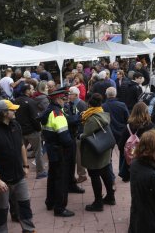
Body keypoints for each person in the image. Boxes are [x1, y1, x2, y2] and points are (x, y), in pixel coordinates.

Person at [0, 100, 35, 232]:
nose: (15, 111)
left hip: (19, 175)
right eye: (12, 110)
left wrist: (26, 166)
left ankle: (28, 229)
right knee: (1, 209)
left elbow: (22, 146)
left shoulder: (15, 125)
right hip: (2, 179)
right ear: (4, 113)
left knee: (25, 205)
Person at [41, 88, 78, 217]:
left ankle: (50, 202)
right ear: (57, 99)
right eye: (63, 99)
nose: (65, 101)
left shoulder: (48, 111)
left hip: (52, 149)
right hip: (60, 150)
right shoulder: (57, 114)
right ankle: (60, 208)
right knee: (61, 180)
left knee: (52, 177)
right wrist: (70, 144)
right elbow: (64, 136)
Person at [80, 93, 115, 212]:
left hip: (94, 151)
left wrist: (80, 135)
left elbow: (86, 134)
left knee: (94, 176)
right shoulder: (102, 113)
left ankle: (98, 203)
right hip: (104, 150)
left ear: (89, 104)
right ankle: (110, 197)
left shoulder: (91, 118)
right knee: (105, 173)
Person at [15, 84, 46, 179]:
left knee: (19, 152)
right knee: (38, 152)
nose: (33, 91)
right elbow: (34, 118)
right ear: (27, 91)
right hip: (32, 131)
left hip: (20, 131)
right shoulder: (31, 102)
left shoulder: (16, 101)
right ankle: (40, 172)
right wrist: (38, 129)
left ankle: (19, 171)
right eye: (32, 89)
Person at [119, 102, 153, 182]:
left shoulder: (128, 126)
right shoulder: (150, 126)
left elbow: (121, 145)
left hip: (132, 163)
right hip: (147, 163)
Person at [102, 87, 129, 187]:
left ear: (106, 95)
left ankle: (111, 176)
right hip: (121, 132)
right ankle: (124, 174)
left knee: (108, 156)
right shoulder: (122, 105)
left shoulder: (103, 106)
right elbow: (128, 118)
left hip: (109, 133)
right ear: (115, 94)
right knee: (124, 153)